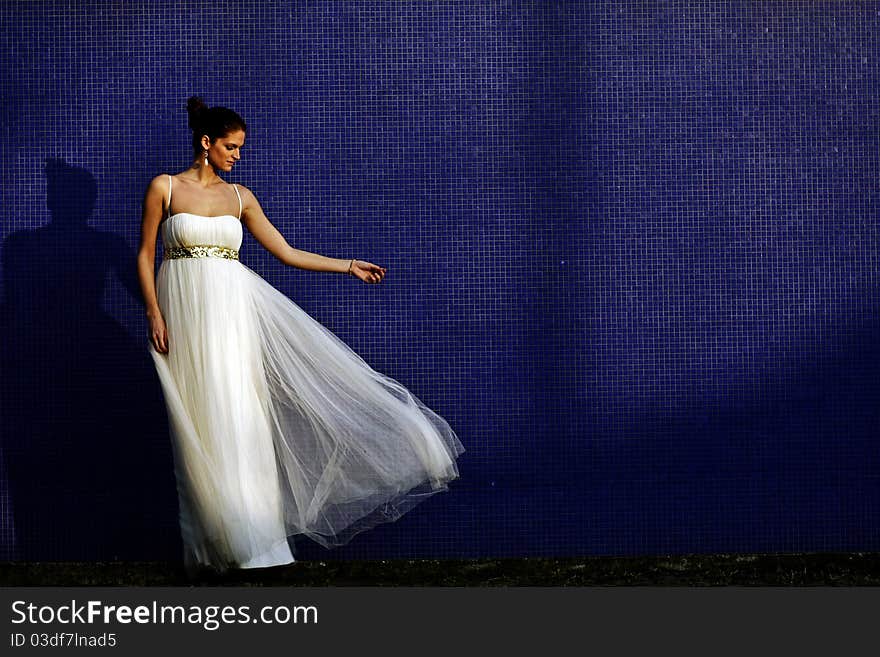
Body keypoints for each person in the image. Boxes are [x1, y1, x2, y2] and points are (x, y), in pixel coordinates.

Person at [136, 96, 464, 574]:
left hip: (230, 317)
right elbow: (146, 254)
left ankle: (256, 543)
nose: (238, 155)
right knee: (196, 425)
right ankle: (210, 549)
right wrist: (153, 311)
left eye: (240, 147)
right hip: (183, 316)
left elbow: (286, 252)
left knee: (239, 417)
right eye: (231, 146)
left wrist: (347, 265)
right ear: (206, 143)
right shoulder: (164, 188)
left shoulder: (239, 197)